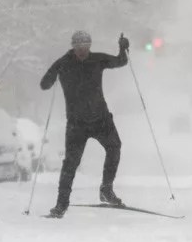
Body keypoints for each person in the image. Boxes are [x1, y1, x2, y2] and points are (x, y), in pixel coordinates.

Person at [40, 30, 129, 218]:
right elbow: (44, 84)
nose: (82, 50)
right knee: (70, 164)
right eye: (79, 47)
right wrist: (51, 77)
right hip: (77, 124)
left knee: (115, 147)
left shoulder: (97, 59)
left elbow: (121, 61)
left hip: (101, 119)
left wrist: (123, 47)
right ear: (73, 46)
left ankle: (106, 190)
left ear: (90, 46)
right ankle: (61, 205)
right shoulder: (63, 63)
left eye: (86, 46)